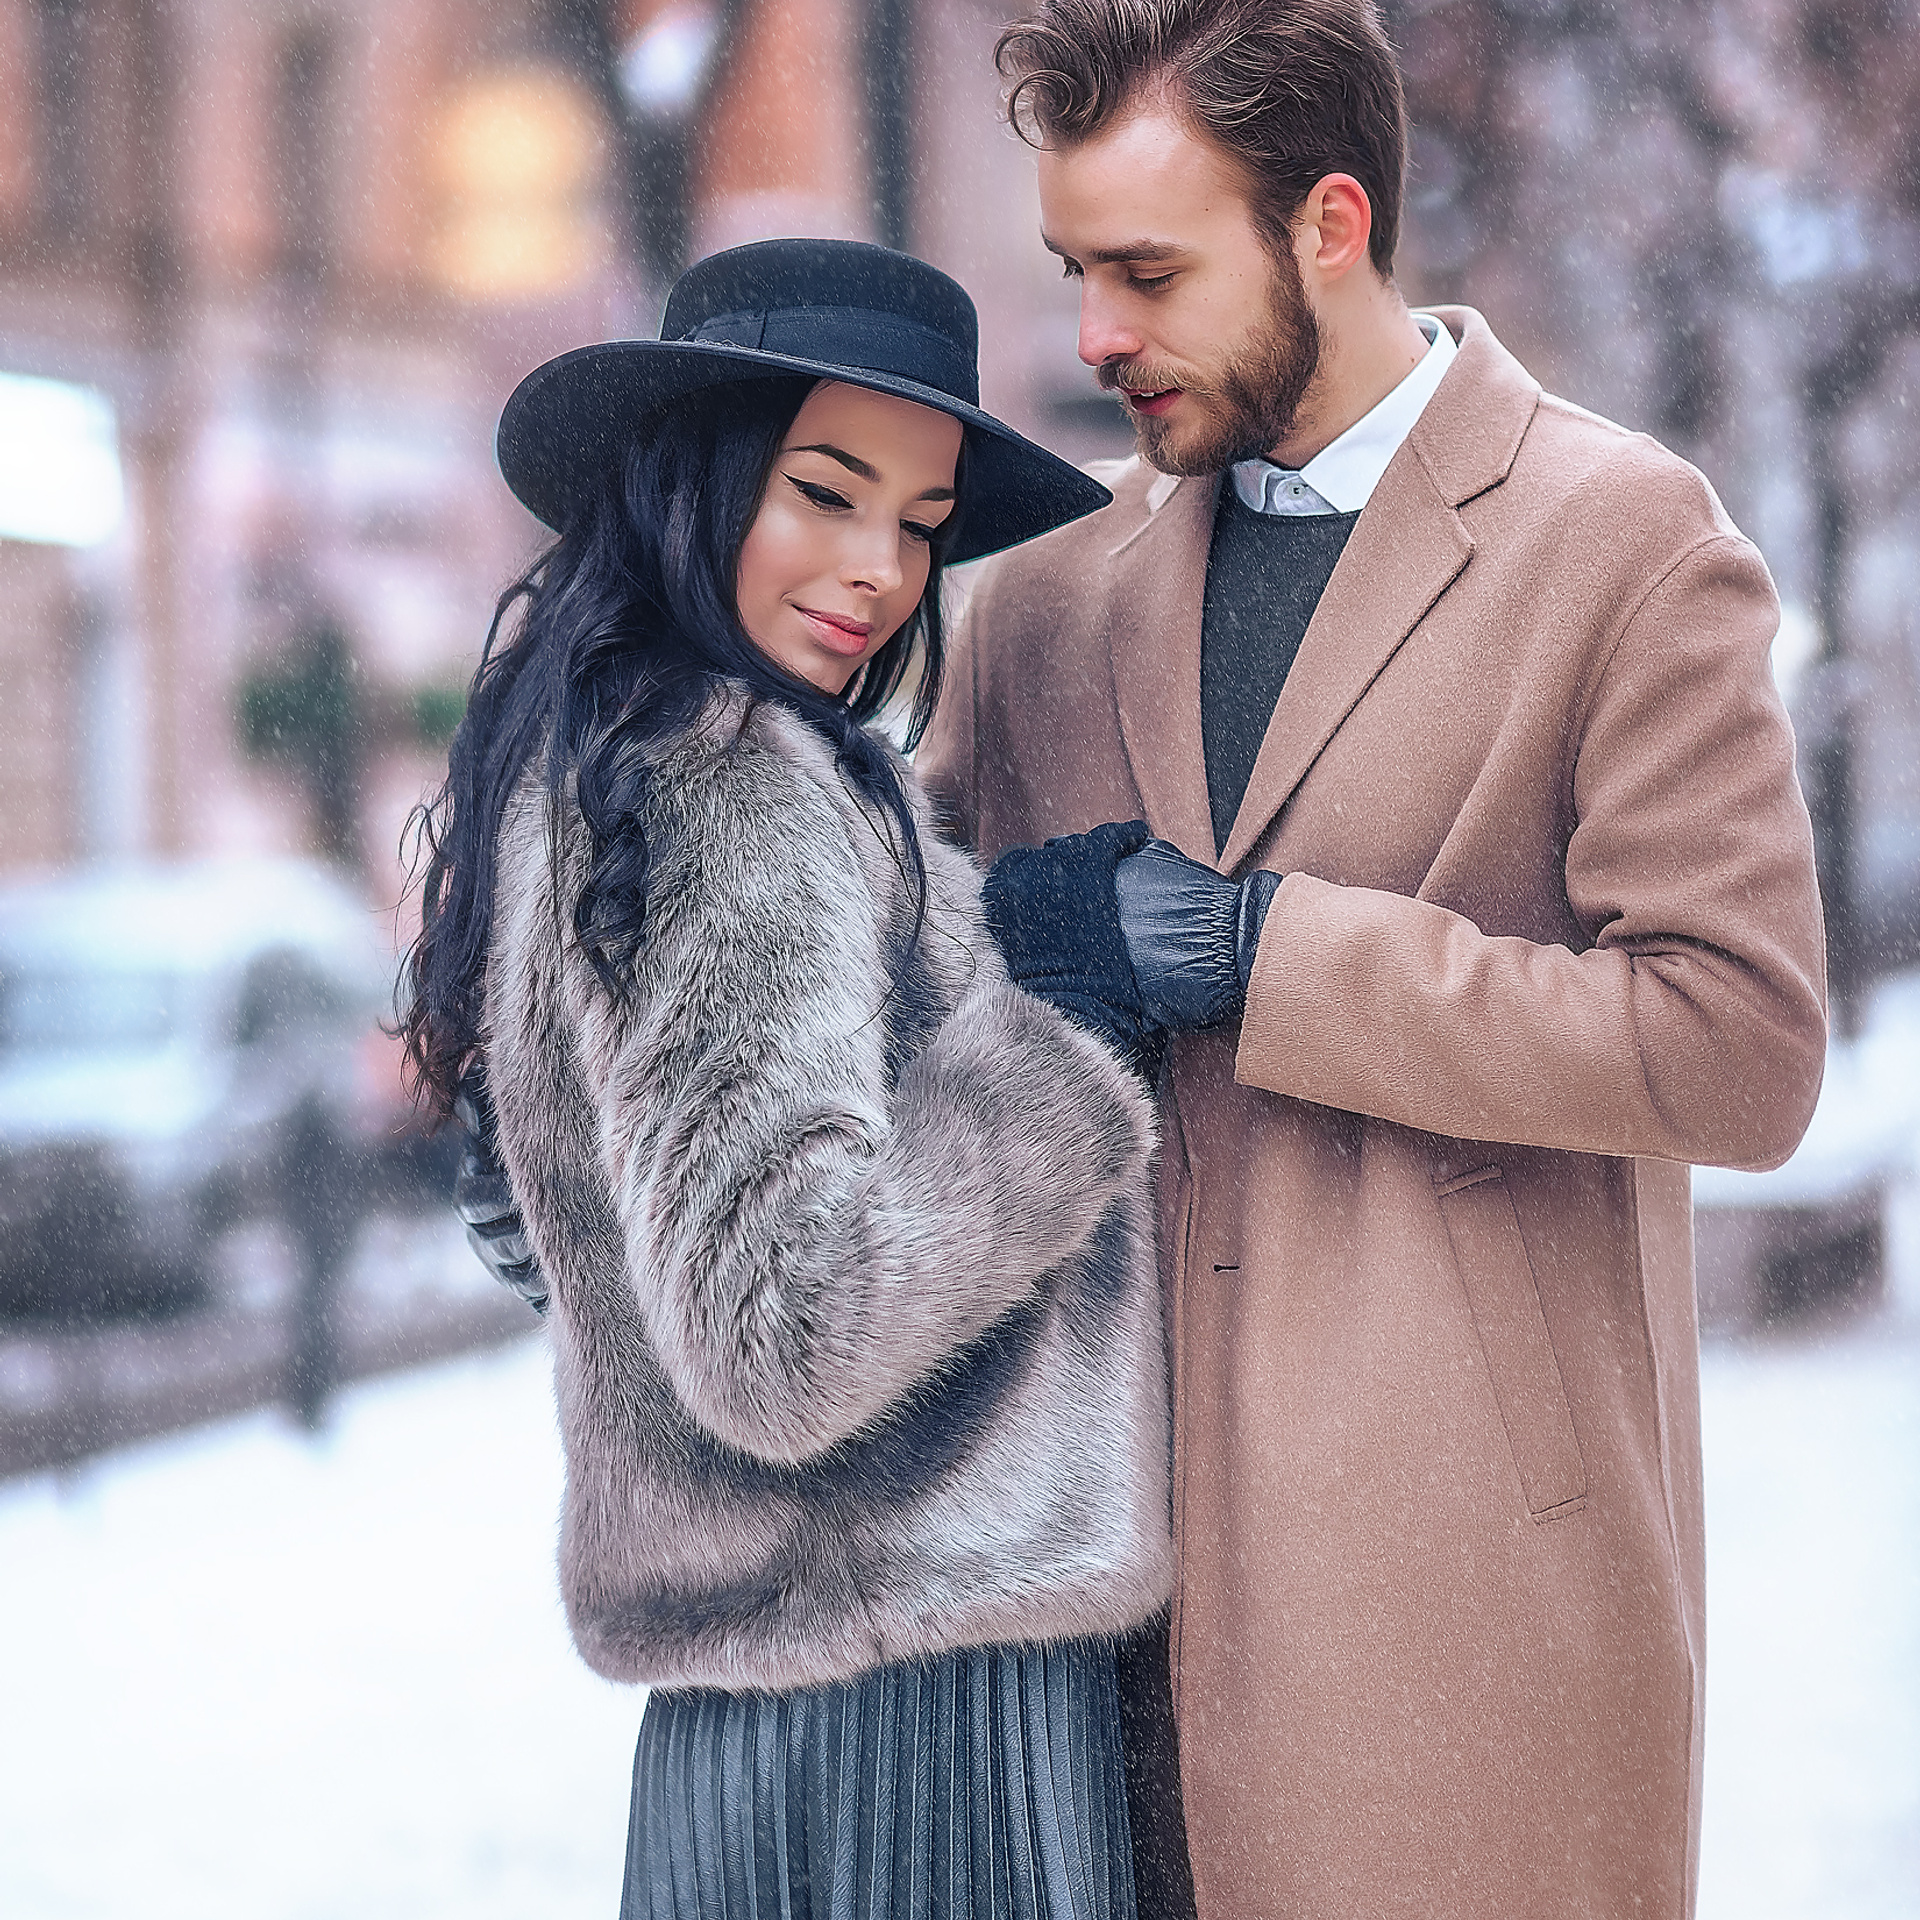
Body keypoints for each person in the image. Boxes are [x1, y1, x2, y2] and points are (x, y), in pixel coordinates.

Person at [918, 3, 1829, 1917]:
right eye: (1080, 272)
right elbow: (899, 980)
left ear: (1329, 223)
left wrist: (1275, 955)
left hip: (1477, 1605)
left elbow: (1741, 1044)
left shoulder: (1628, 543)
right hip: (1087, 1637)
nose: (1095, 336)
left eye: (1149, 273)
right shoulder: (1044, 605)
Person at [403, 238, 1178, 1920]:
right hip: (907, 1706)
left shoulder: (606, 758)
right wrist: (1067, 1020)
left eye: (916, 520)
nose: (879, 570)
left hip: (769, 1714)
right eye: (825, 493)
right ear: (702, 477)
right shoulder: (729, 787)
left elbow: (552, 1229)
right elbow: (782, 1330)